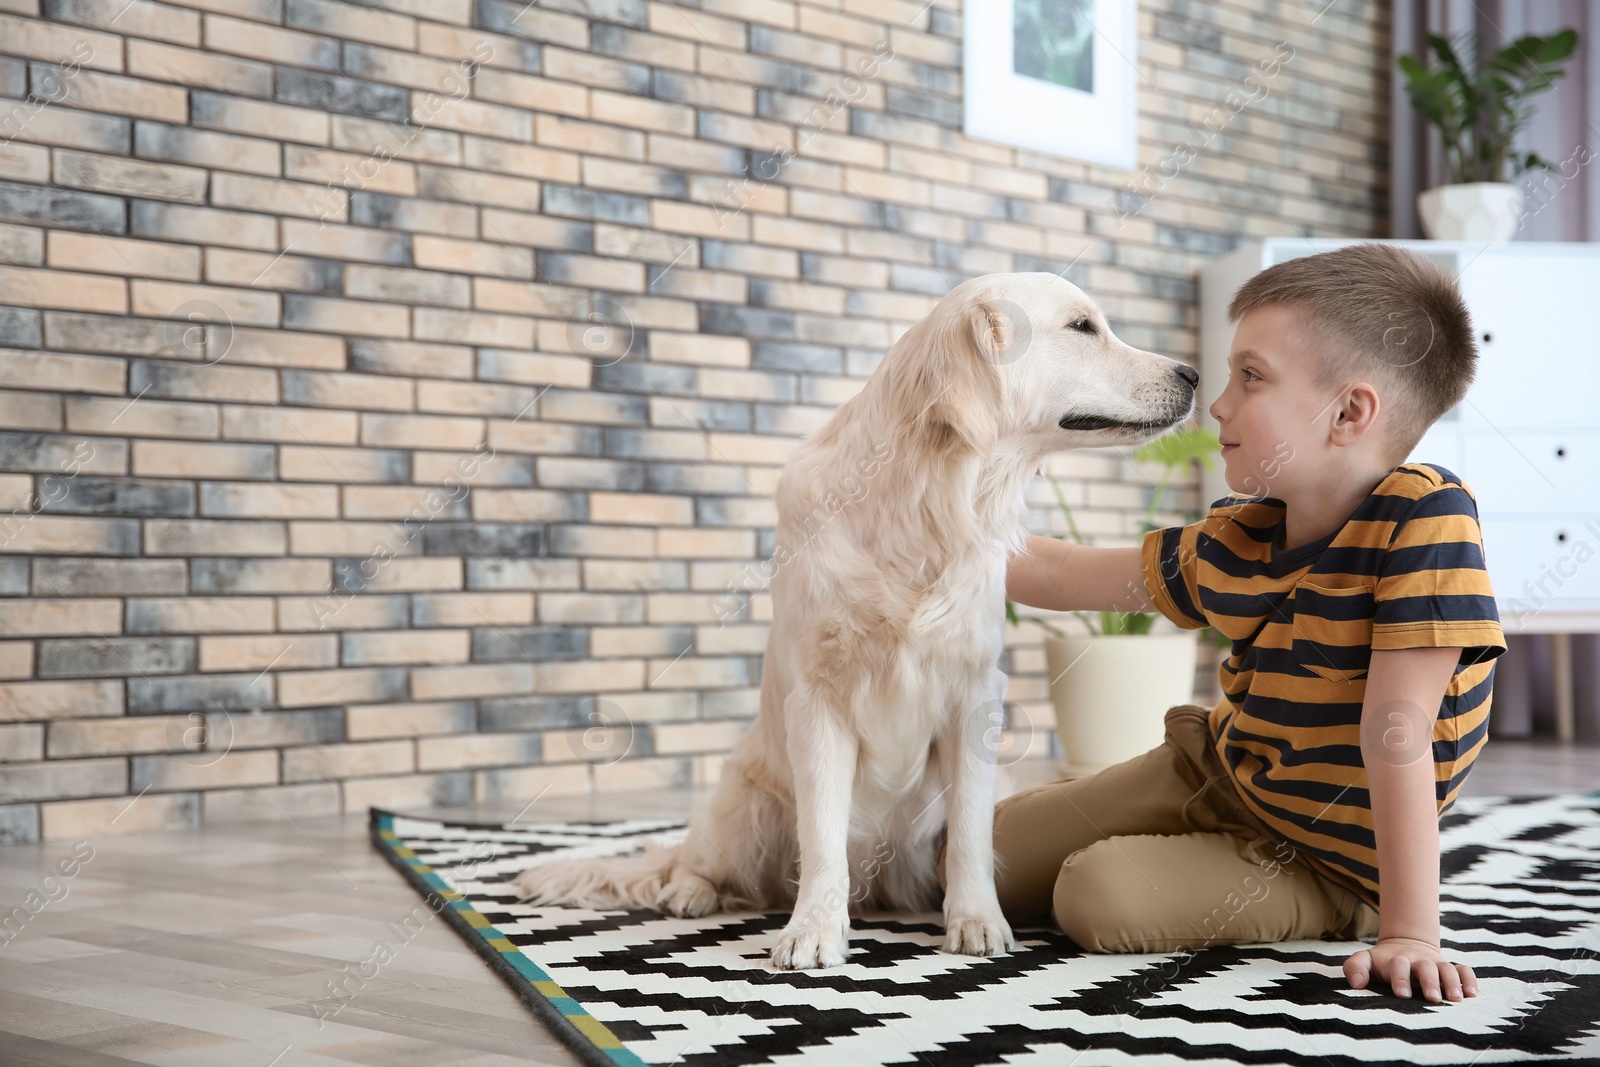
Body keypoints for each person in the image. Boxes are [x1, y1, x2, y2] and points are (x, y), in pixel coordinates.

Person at [975, 242, 1507, 1003]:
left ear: (1350, 412)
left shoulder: (1426, 518)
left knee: (1094, 894)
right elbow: (1062, 572)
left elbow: (1397, 728)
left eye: (1250, 378)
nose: (1218, 404)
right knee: (979, 855)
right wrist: (933, 526)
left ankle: (1328, 904)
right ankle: (1197, 846)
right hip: (1215, 771)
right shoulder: (1242, 533)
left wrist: (1412, 931)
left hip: (1325, 858)